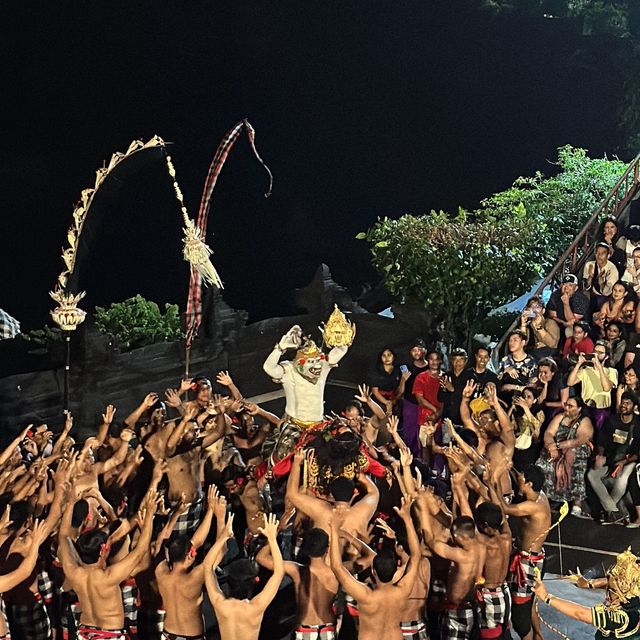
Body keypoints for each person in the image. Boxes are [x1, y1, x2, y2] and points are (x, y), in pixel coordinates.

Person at [329, 496, 421, 640]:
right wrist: (407, 518)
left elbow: (336, 567)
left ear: (373, 571)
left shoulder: (366, 596)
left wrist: (334, 531)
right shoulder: (403, 591)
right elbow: (416, 556)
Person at [263, 322, 352, 461]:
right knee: (281, 460)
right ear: (300, 362)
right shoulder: (289, 369)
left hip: (319, 426)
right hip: (295, 427)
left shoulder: (323, 366)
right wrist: (280, 348)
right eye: (311, 362)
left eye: (318, 360)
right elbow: (268, 367)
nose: (317, 365)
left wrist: (335, 335)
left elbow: (341, 350)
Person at [489, 465, 551, 640]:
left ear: (529, 484)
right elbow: (522, 476)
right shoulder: (539, 495)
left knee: (520, 618)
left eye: (521, 480)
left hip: (527, 563)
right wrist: (509, 467)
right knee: (530, 605)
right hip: (530, 557)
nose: (518, 480)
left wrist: (492, 481)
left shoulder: (532, 506)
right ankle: (538, 637)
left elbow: (505, 509)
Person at [204, 513, 285, 640]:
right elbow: (279, 573)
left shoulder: (220, 604)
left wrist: (223, 537)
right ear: (255, 580)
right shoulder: (255, 607)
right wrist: (272, 539)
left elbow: (208, 566)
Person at [533, 547, 640, 640]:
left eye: (611, 591)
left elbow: (580, 613)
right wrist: (592, 583)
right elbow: (617, 581)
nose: (607, 594)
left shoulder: (619, 618)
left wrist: (546, 597)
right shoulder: (634, 595)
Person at [257, 527, 339, 640]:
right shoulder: (337, 573)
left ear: (305, 548)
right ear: (327, 549)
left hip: (304, 631)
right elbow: (369, 559)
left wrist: (273, 535)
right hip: (328, 631)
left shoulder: (296, 570)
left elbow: (261, 558)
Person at [587, 392, 640, 524]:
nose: (624, 405)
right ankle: (612, 511)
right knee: (592, 475)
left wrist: (624, 461)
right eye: (623, 402)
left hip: (630, 460)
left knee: (622, 481)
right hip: (611, 459)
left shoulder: (638, 424)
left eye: (628, 403)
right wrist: (599, 455)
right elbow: (601, 442)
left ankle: (609, 512)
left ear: (634, 407)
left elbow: (638, 453)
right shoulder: (612, 420)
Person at [536, 397, 594, 515]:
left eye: (570, 406)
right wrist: (550, 446)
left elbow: (579, 440)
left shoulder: (584, 421)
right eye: (566, 405)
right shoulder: (560, 417)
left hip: (574, 451)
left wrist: (558, 446)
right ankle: (544, 499)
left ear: (579, 408)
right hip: (556, 448)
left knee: (576, 465)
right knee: (544, 462)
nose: (566, 408)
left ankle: (577, 505)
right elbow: (548, 433)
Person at [566, 343, 618, 431]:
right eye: (595, 352)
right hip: (586, 407)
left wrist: (600, 368)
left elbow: (606, 388)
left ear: (606, 357)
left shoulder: (611, 371)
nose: (596, 355)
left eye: (600, 353)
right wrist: (578, 364)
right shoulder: (585, 370)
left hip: (602, 410)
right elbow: (570, 383)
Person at [401, 340, 429, 456]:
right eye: (414, 350)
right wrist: (403, 379)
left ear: (425, 351)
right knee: (409, 435)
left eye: (419, 349)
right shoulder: (406, 368)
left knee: (425, 437)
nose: (417, 352)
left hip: (426, 406)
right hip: (410, 405)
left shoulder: (432, 368)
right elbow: (400, 391)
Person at [546, 273, 590, 341]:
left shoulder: (581, 298)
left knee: (569, 330)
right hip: (560, 323)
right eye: (564, 284)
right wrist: (563, 323)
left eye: (570, 285)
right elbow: (552, 316)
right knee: (550, 324)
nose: (566, 287)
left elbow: (572, 320)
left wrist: (566, 303)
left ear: (576, 288)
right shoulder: (555, 295)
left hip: (578, 326)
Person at [497, 331, 537, 399]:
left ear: (523, 342)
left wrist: (513, 387)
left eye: (515, 340)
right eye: (510, 341)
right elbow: (498, 384)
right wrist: (507, 370)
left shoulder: (532, 362)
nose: (511, 343)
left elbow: (533, 387)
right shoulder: (505, 360)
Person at [440, 347, 473, 426]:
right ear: (451, 360)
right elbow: (439, 398)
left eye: (461, 359)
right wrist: (444, 390)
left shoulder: (471, 377)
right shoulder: (446, 376)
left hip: (464, 420)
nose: (458, 362)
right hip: (447, 420)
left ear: (466, 361)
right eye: (455, 359)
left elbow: (470, 399)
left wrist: (452, 390)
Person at [370, 347, 405, 416]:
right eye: (384, 355)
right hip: (379, 400)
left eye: (389, 355)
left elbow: (400, 390)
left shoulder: (399, 370)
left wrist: (403, 379)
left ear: (393, 356)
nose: (387, 358)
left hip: (394, 399)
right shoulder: (376, 371)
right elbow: (375, 391)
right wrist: (387, 403)